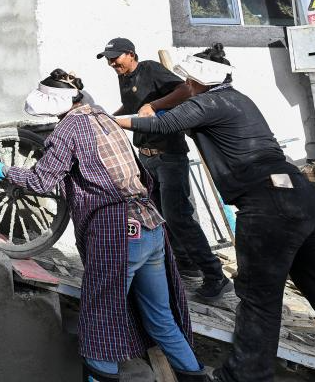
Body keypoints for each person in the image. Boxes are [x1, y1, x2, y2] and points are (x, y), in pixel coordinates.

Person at [115, 44, 315, 382]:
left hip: (269, 207)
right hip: (301, 196)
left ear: (200, 81)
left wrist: (106, 121)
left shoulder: (208, 103)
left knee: (258, 299)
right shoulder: (238, 99)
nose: (187, 85)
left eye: (190, 80)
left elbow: (163, 125)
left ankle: (242, 377)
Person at [0, 69, 210, 382]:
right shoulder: (103, 116)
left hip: (116, 232)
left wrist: (6, 172)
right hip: (150, 226)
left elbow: (41, 181)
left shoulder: (67, 130)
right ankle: (196, 376)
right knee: (161, 317)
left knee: (101, 318)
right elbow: (135, 174)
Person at [97, 37, 230, 302]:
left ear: (131, 54)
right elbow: (134, 107)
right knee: (159, 216)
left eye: (116, 58)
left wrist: (155, 105)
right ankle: (186, 265)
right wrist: (109, 119)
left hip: (169, 155)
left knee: (178, 216)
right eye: (109, 59)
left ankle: (215, 275)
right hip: (146, 156)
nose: (112, 63)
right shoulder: (124, 78)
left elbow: (185, 90)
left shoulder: (149, 68)